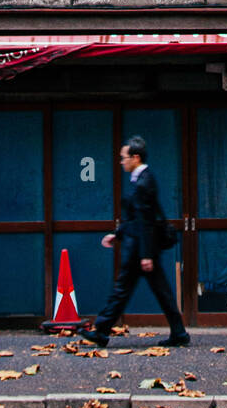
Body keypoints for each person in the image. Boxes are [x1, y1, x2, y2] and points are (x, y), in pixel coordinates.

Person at [79, 135, 189, 348]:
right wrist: (118, 234)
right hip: (141, 247)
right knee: (158, 291)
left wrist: (146, 254)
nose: (121, 161)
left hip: (140, 248)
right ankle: (178, 332)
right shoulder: (143, 179)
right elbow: (138, 218)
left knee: (125, 290)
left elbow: (145, 221)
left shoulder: (143, 182)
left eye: (124, 158)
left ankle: (101, 331)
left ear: (135, 158)